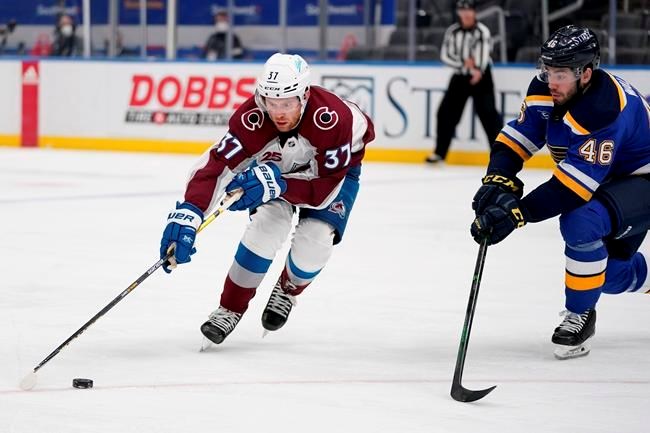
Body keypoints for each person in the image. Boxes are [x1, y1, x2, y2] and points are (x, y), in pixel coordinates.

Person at [159, 53, 375, 346]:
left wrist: (278, 183)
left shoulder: (333, 120)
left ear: (304, 96)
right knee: (266, 227)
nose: (279, 113)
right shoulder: (252, 118)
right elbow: (216, 166)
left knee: (315, 242)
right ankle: (229, 309)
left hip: (332, 175)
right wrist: (190, 210)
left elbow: (322, 189)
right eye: (272, 103)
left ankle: (288, 288)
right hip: (275, 170)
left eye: (287, 103)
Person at [470, 25, 650, 359]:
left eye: (561, 73)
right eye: (547, 69)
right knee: (605, 275)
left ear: (585, 73)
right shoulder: (547, 88)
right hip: (607, 182)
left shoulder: (603, 108)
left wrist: (516, 213)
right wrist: (498, 178)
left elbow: (572, 188)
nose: (551, 80)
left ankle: (579, 316)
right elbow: (518, 138)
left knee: (580, 221)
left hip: (641, 179)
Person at [425, 0, 502, 164]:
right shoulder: (452, 31)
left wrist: (478, 70)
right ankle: (440, 153)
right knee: (445, 113)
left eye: (469, 10)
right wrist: (463, 63)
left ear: (474, 12)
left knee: (489, 115)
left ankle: (499, 156)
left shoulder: (482, 31)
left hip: (482, 78)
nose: (466, 13)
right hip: (460, 76)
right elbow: (445, 56)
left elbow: (484, 52)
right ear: (458, 12)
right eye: (462, 10)